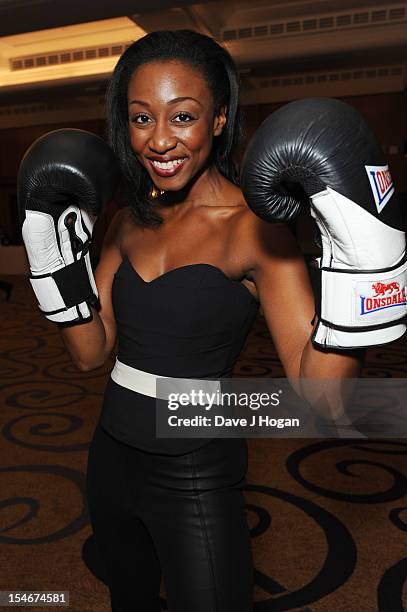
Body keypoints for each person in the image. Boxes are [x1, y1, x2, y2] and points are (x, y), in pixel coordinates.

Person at [21, 28, 406, 612]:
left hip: (195, 465)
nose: (159, 140)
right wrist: (53, 262)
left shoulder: (254, 228)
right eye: (141, 117)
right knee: (129, 598)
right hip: (110, 454)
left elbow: (325, 402)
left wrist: (370, 277)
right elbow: (90, 353)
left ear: (219, 120)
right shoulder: (128, 220)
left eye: (183, 116)